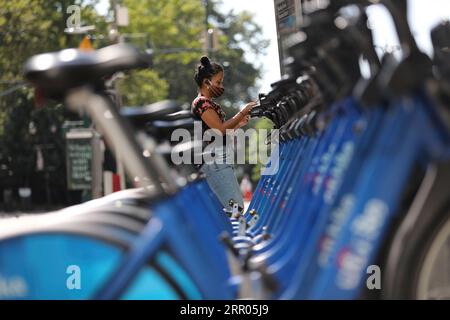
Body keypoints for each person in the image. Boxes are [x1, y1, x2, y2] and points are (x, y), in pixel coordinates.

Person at [192, 56, 256, 210]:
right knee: (236, 211)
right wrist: (241, 113)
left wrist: (238, 124)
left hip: (219, 159)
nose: (221, 86)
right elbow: (219, 130)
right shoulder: (201, 103)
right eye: (218, 82)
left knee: (232, 210)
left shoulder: (209, 103)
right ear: (206, 82)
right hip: (215, 161)